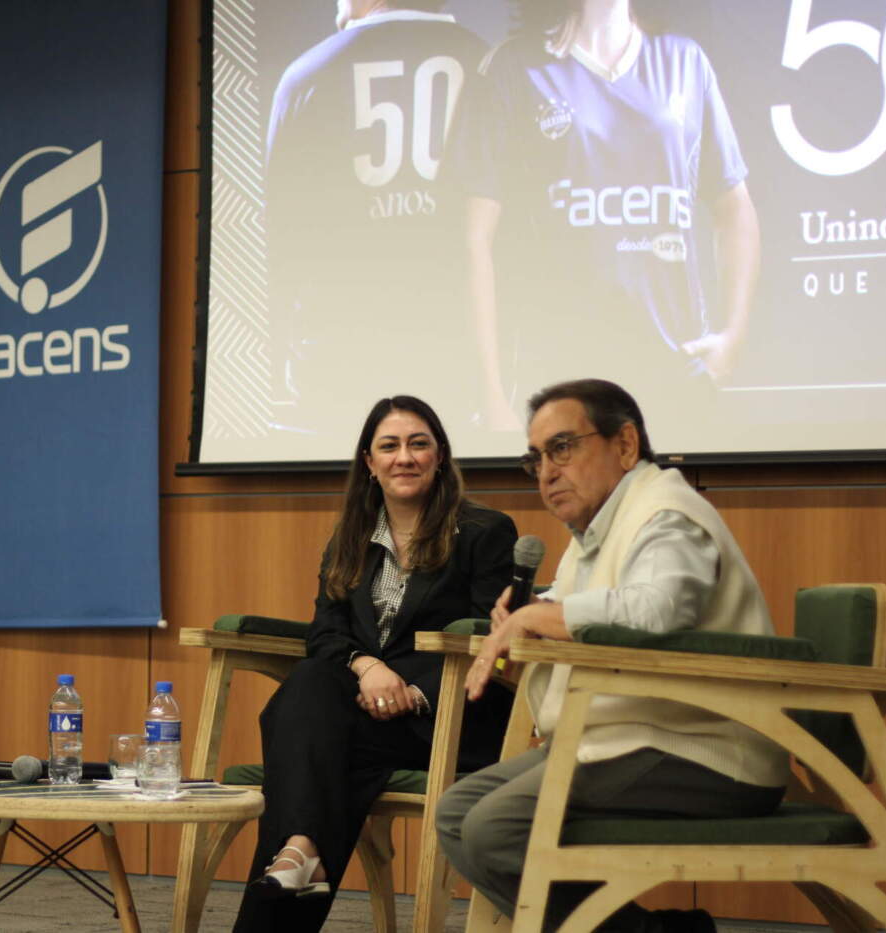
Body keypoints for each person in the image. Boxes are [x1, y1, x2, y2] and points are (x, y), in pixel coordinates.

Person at [436, 378, 787, 933]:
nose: (547, 471)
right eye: (536, 458)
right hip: (629, 736)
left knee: (493, 829)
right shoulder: (596, 531)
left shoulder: (666, 511)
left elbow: (657, 608)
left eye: (562, 448)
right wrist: (533, 614)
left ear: (625, 445)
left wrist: (537, 617)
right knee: (457, 815)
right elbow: (590, 601)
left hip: (706, 749)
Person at [233, 395, 516, 931]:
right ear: (369, 462)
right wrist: (368, 668)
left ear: (439, 456)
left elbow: (490, 632)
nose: (403, 457)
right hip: (364, 712)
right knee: (318, 689)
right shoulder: (349, 538)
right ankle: (301, 850)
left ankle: (298, 849)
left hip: (449, 715)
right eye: (389, 446)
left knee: (306, 734)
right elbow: (326, 632)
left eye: (418, 444)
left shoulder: (484, 531)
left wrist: (411, 690)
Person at [452, 0, 759, 431]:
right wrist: (492, 394)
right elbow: (474, 242)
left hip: (674, 376)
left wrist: (732, 338)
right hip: (560, 382)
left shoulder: (684, 60)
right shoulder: (514, 67)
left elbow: (734, 208)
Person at [263, 1, 487, 441]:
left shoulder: (306, 73)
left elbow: (278, 245)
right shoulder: (494, 65)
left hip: (332, 372)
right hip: (461, 367)